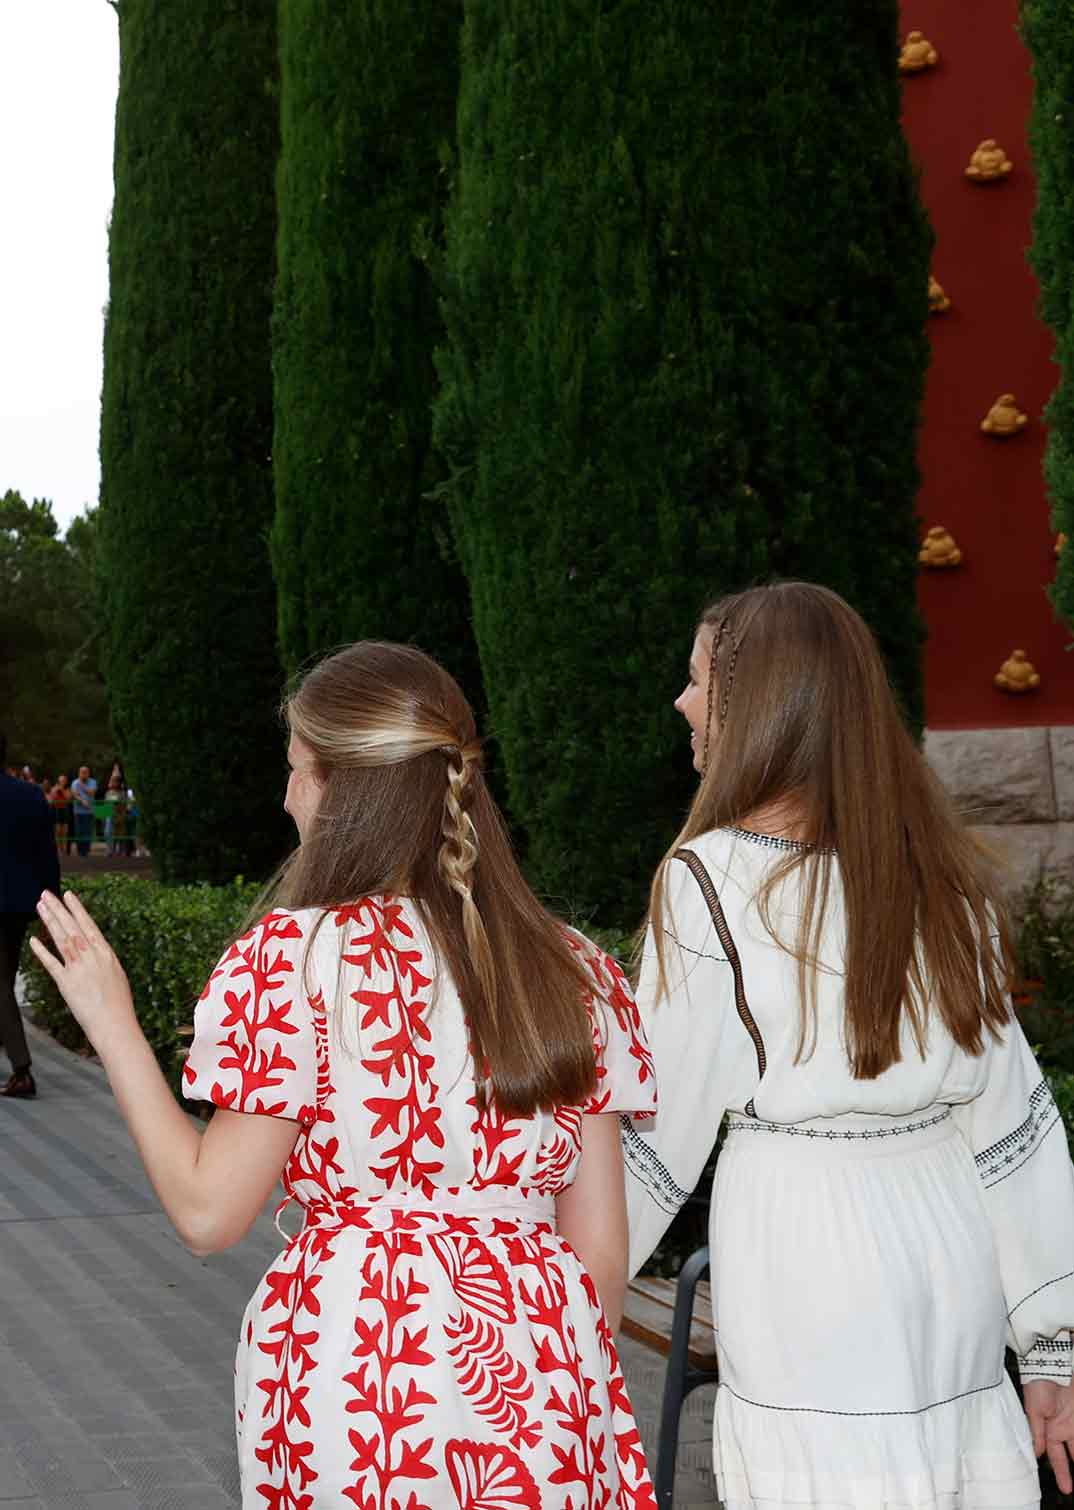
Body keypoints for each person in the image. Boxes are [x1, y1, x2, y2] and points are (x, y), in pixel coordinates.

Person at [30, 641, 658, 1510]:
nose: (287, 795)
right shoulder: (574, 968)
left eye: (298, 770)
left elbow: (209, 1213)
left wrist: (115, 1027)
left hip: (359, 1376)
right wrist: (550, 1382)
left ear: (344, 790)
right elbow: (599, 1256)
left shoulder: (294, 961)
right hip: (544, 1376)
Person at [624, 581, 1074, 1510]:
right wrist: (1055, 1346)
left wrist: (541, 1282)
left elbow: (653, 1138)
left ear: (763, 708)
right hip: (946, 1239)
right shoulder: (937, 875)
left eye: (699, 680)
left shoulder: (704, 880)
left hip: (804, 1250)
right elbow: (1014, 1133)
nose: (684, 703)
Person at [0, 732, 60, 1097]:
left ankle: (22, 1069)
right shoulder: (30, 795)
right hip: (21, 905)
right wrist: (51, 906)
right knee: (4, 977)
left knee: (0, 983)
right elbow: (46, 857)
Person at [70, 764, 97, 857]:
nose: (84, 774)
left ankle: (86, 850)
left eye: (85, 772)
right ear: (79, 773)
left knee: (87, 831)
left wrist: (82, 785)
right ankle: (80, 850)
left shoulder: (93, 781)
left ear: (88, 773)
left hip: (89, 811)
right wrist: (82, 801)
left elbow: (92, 792)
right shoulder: (74, 782)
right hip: (78, 811)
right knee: (79, 831)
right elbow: (74, 794)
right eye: (82, 772)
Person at [50, 772, 72, 855]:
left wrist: (62, 790)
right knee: (58, 831)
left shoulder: (67, 789)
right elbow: (52, 799)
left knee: (65, 831)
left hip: (65, 810)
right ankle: (59, 849)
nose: (62, 781)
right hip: (57, 810)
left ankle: (64, 849)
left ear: (66, 781)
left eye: (64, 780)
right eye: (61, 780)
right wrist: (56, 790)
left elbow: (68, 799)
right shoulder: (54, 788)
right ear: (58, 780)